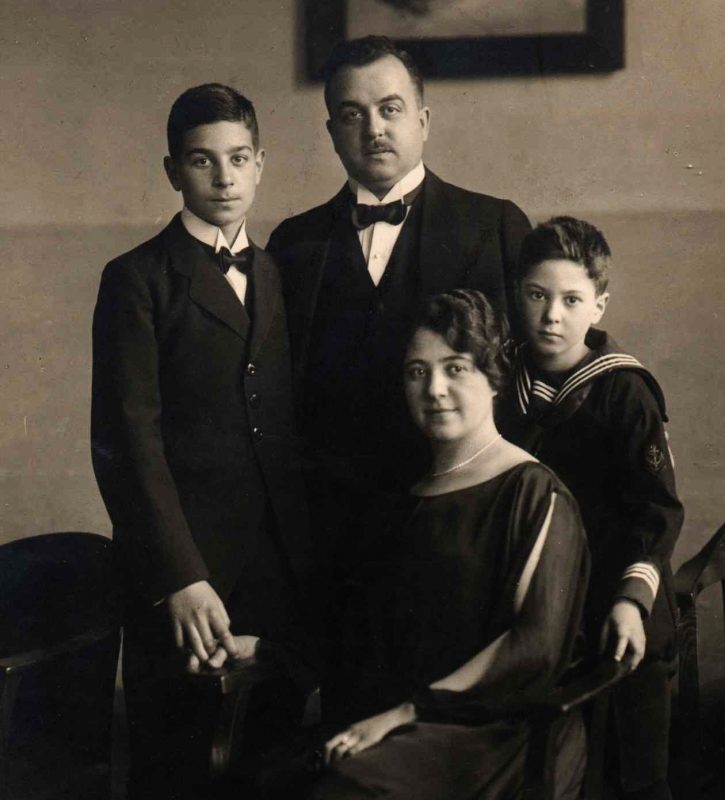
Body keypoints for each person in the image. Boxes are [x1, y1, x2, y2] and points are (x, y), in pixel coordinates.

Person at [267, 36, 531, 663]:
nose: (374, 129)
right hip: (338, 541)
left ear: (423, 120)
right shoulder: (294, 245)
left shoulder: (494, 226)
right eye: (352, 114)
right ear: (332, 133)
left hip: (462, 527)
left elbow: (525, 387)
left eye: (390, 109)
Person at [91, 83, 314, 799]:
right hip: (181, 574)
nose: (223, 178)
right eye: (201, 160)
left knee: (273, 766)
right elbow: (128, 441)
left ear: (260, 165)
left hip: (274, 572)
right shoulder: (136, 279)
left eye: (238, 158)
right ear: (172, 171)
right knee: (176, 770)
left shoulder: (276, 273)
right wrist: (180, 578)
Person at [300, 290, 590, 800]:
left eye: (455, 368)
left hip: (495, 732)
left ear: (494, 377)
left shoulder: (532, 492)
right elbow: (359, 633)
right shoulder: (403, 498)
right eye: (417, 372)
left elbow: (534, 647)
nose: (434, 389)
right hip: (395, 723)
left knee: (344, 791)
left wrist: (406, 712)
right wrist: (270, 650)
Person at [499, 217, 684, 800]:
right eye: (537, 295)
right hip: (534, 604)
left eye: (571, 300)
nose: (551, 316)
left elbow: (657, 512)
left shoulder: (624, 391)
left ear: (599, 305)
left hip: (616, 597)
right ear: (518, 295)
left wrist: (631, 600)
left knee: (627, 771)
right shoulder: (500, 383)